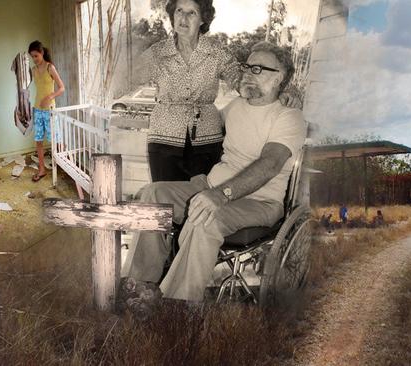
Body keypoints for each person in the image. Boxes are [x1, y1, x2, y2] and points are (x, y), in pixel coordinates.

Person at [122, 42, 306, 302]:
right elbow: (204, 125)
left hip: (260, 202)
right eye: (246, 67)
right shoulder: (236, 107)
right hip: (211, 187)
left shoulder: (289, 117)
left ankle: (177, 305)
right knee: (153, 194)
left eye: (258, 69)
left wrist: (222, 194)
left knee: (204, 214)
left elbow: (270, 164)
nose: (247, 74)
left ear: (279, 78)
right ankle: (138, 284)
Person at [133, 0, 300, 183]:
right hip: (163, 136)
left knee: (202, 194)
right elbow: (125, 79)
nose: (183, 18)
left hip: (206, 139)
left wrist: (280, 91)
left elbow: (243, 80)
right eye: (179, 11)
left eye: (192, 13)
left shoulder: (216, 52)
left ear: (203, 19)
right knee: (165, 197)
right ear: (172, 15)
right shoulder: (157, 53)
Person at [27, 40, 64, 182]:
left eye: (36, 56)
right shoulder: (34, 70)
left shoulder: (50, 68)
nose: (34, 59)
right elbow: (25, 84)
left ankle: (66, 165)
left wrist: (50, 96)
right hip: (37, 109)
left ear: (42, 53)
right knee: (38, 141)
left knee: (56, 140)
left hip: (49, 110)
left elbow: (62, 88)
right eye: (32, 57)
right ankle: (42, 170)